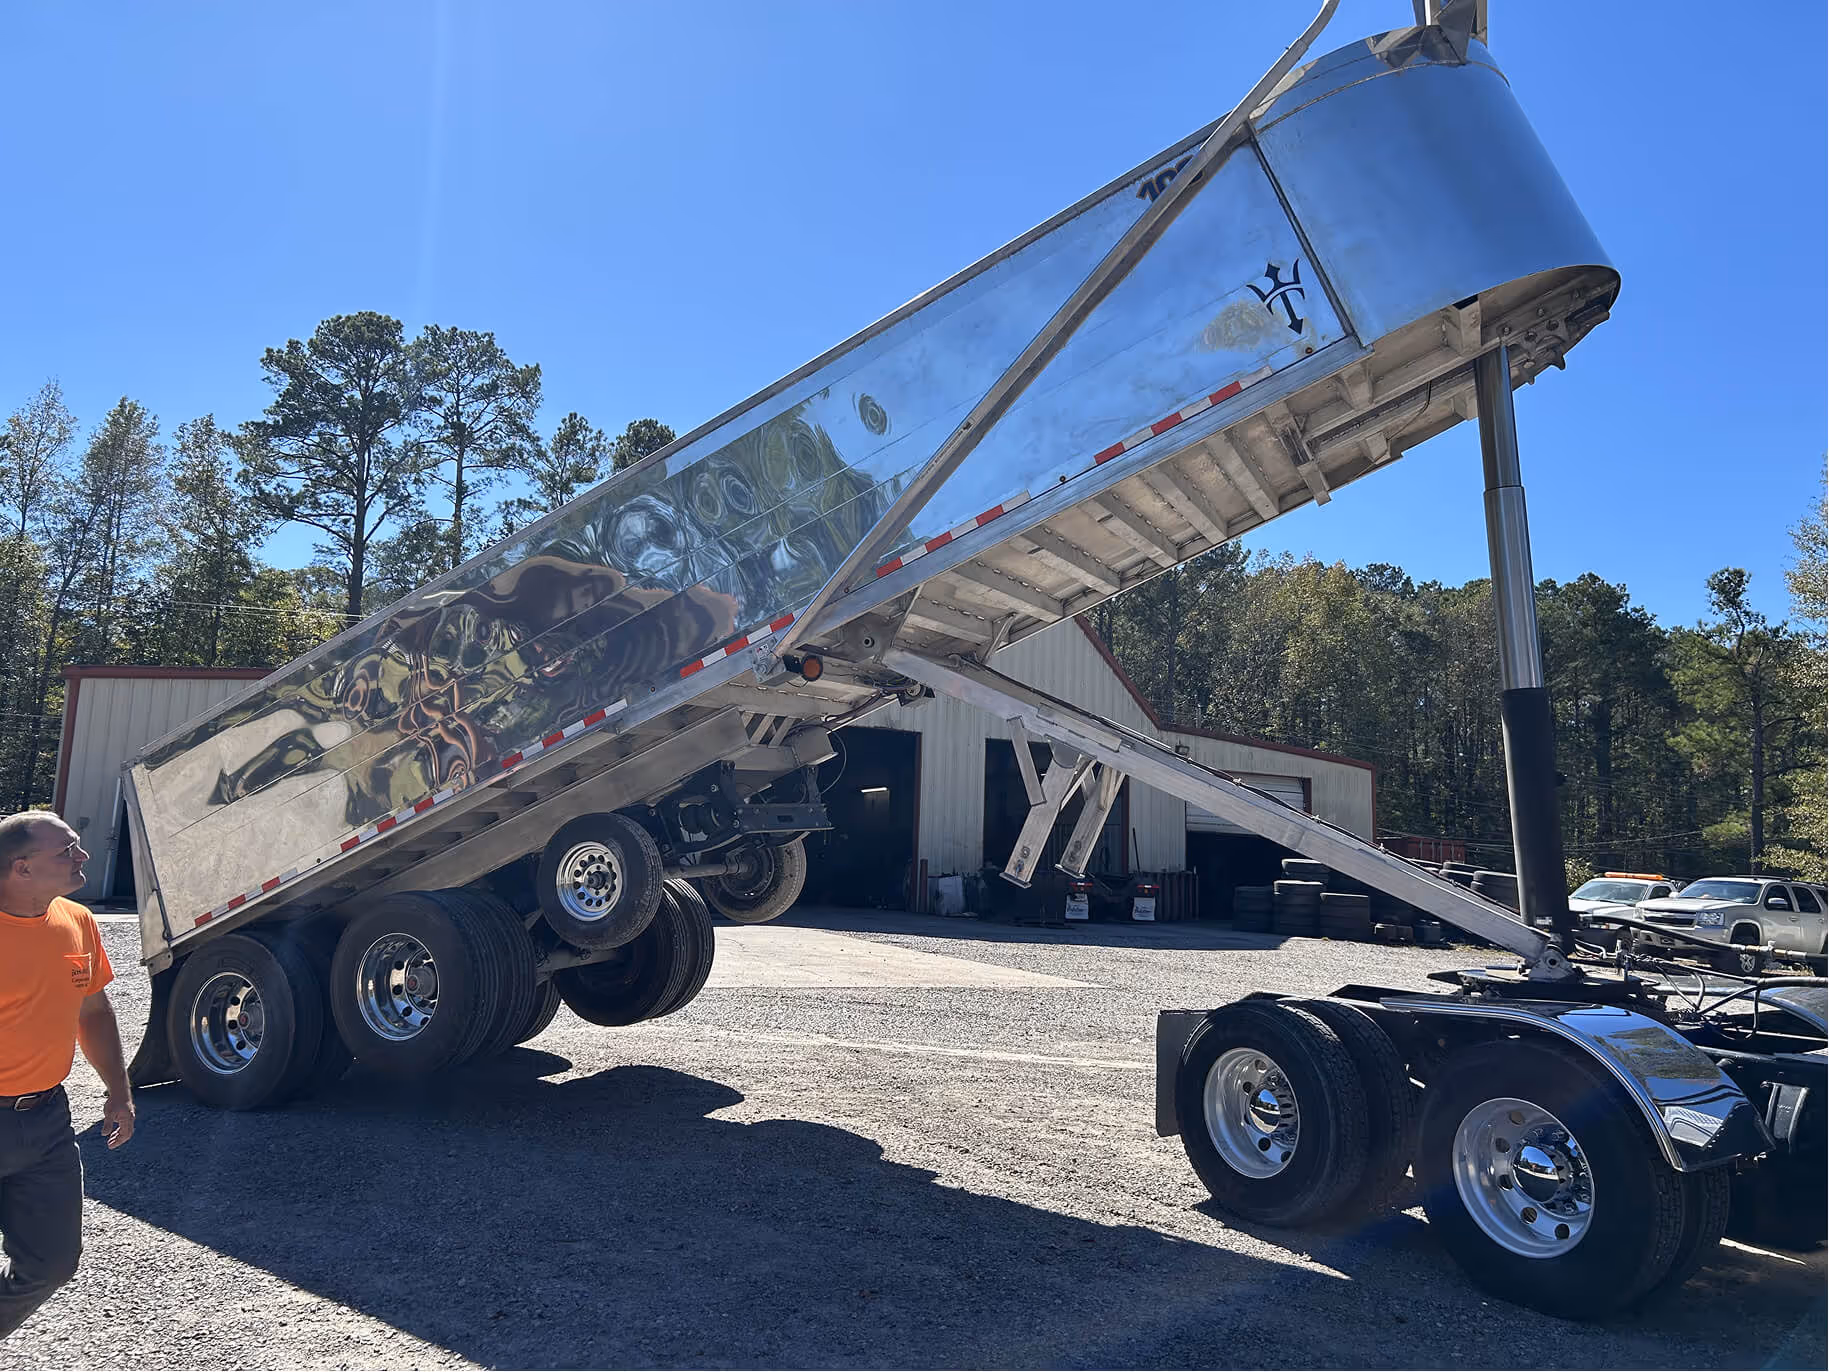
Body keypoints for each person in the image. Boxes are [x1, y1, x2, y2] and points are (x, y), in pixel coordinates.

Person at [0, 811, 134, 1341]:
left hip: (47, 1121)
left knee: (53, 1262)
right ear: (21, 869)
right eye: (67, 851)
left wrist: (118, 1091)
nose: (82, 857)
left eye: (77, 845)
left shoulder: (77, 920)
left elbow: (93, 1011)